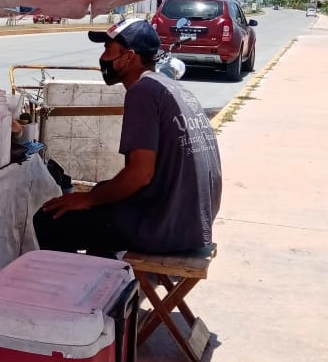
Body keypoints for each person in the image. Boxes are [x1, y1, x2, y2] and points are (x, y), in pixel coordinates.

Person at [33, 17, 222, 256]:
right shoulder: (170, 87)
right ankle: (107, 284)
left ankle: (70, 290)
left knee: (50, 219)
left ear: (129, 56)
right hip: (193, 225)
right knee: (101, 198)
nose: (103, 58)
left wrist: (87, 200)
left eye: (107, 49)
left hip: (163, 228)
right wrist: (94, 197)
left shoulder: (142, 92)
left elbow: (140, 174)